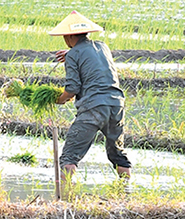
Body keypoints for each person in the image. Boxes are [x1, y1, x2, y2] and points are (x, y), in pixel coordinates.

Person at [51, 11, 131, 191]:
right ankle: (126, 193)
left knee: (69, 157)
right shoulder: (103, 47)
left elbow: (72, 88)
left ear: (70, 35)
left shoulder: (73, 55)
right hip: (116, 104)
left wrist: (59, 99)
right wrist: (73, 53)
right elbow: (92, 59)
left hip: (94, 106)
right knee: (118, 154)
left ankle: (65, 199)